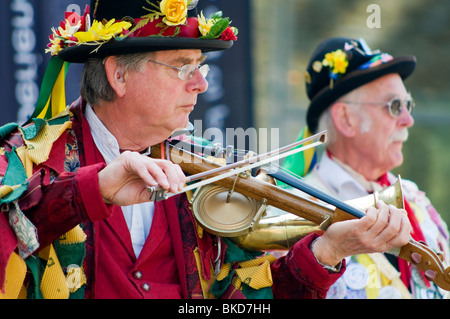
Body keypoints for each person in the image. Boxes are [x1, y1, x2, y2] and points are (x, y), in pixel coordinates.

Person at [0, 3, 411, 299]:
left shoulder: (207, 167)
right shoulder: (27, 155)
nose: (201, 84)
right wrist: (96, 189)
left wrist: (327, 251)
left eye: (202, 67)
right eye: (183, 66)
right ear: (118, 74)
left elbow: (246, 303)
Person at [283, 37, 450, 299]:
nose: (408, 120)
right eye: (395, 106)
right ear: (346, 119)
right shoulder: (293, 210)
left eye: (409, 105)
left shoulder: (415, 198)